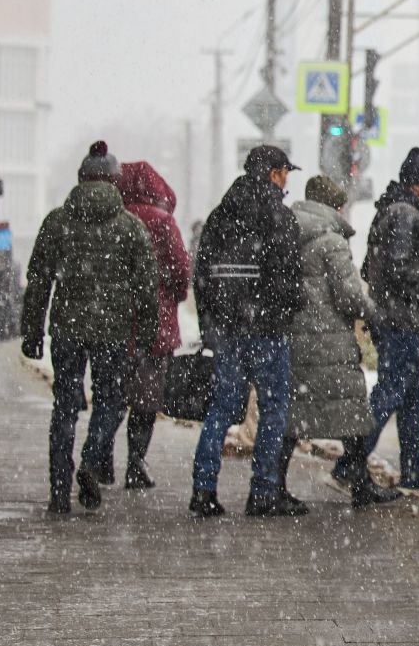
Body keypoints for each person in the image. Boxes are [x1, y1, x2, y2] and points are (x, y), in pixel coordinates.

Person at [20, 141, 158, 514]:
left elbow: (38, 281)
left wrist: (32, 331)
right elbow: (147, 287)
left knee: (64, 406)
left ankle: (59, 490)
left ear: (80, 179)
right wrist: (146, 337)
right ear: (114, 181)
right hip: (112, 333)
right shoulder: (131, 227)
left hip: (66, 329)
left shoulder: (57, 222)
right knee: (110, 400)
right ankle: (92, 457)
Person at [190, 144, 306, 518]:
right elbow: (290, 281)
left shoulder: (220, 216)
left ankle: (203, 489)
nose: (286, 180)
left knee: (222, 408)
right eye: (285, 173)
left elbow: (202, 277)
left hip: (227, 330)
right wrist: (286, 310)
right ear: (273, 173)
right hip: (268, 331)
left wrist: (210, 324)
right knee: (273, 409)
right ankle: (263, 492)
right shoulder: (280, 218)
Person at [288, 175, 402, 509]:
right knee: (351, 411)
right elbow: (350, 295)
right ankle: (361, 484)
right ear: (333, 206)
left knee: (294, 414)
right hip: (330, 339)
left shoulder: (290, 231)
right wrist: (374, 313)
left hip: (297, 335)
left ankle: (269, 485)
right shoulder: (331, 239)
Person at [336, 147, 419, 490]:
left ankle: (416, 474)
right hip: (401, 323)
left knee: (410, 398)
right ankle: (349, 464)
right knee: (390, 393)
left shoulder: (395, 211)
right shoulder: (403, 215)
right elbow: (396, 268)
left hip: (400, 321)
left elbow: (372, 267)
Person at [85, 160, 191, 491]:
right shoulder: (161, 221)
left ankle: (99, 459)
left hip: (116, 322)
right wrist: (174, 295)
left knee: (112, 396)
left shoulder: (112, 219)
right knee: (146, 400)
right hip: (155, 325)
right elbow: (180, 268)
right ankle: (135, 465)